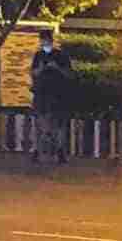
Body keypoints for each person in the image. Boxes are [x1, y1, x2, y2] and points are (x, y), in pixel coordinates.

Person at [29, 28, 72, 164]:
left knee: (58, 124)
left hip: (57, 95)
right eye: (42, 40)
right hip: (41, 94)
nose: (44, 43)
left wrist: (56, 67)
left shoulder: (61, 55)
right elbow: (33, 73)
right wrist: (41, 68)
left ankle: (59, 151)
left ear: (51, 40)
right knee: (41, 123)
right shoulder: (38, 55)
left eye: (46, 40)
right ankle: (37, 150)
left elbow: (68, 74)